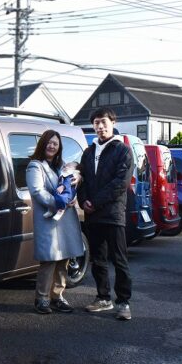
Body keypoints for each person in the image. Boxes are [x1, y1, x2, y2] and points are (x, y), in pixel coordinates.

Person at [77, 107, 134, 320]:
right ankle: (103, 298)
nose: (100, 126)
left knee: (119, 260)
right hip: (93, 214)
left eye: (103, 122)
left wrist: (95, 201)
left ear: (112, 122)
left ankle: (124, 303)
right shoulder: (88, 152)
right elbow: (81, 179)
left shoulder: (123, 150)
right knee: (98, 259)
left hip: (113, 214)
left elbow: (121, 183)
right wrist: (83, 201)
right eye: (96, 123)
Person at [26, 130, 84, 314]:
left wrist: (76, 188)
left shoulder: (62, 166)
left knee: (64, 259)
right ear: (42, 144)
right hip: (49, 218)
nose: (52, 146)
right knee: (49, 260)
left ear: (59, 148)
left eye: (55, 144)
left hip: (65, 219)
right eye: (49, 142)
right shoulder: (35, 166)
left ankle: (57, 296)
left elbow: (72, 182)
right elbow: (37, 191)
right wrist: (59, 203)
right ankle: (41, 298)